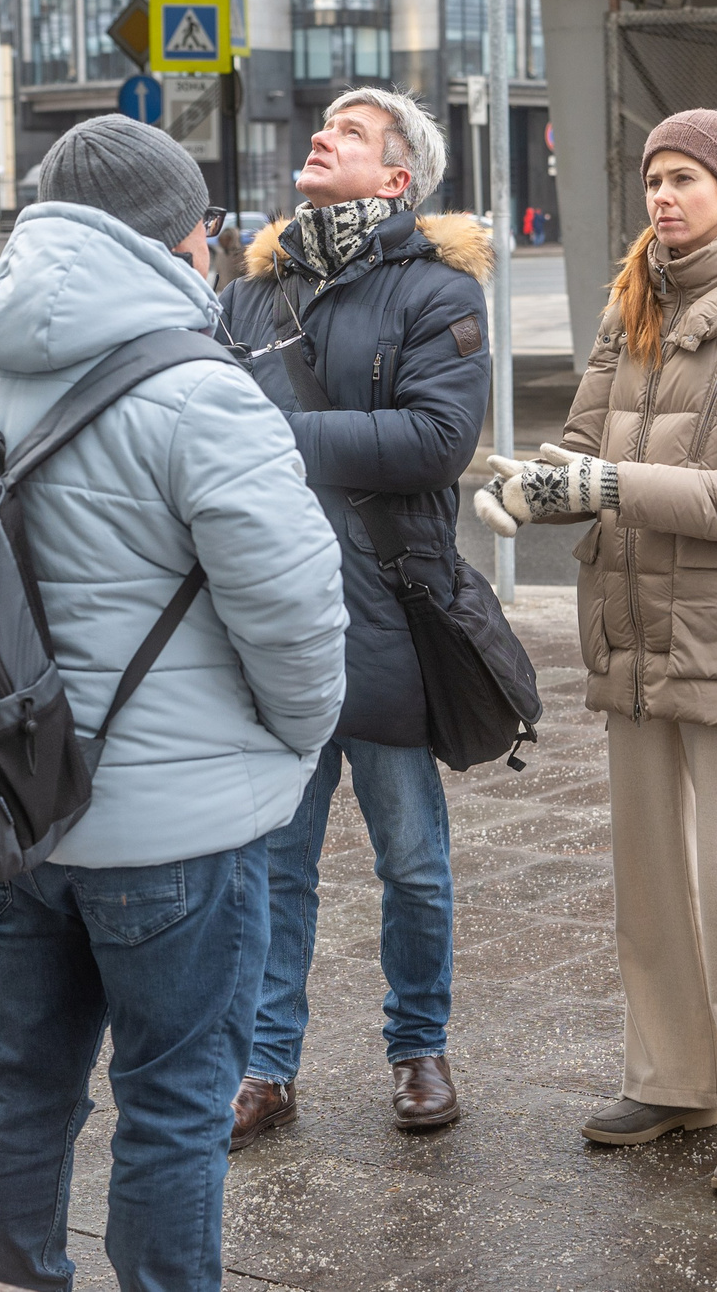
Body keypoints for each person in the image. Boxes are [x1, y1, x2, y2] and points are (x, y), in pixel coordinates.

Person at [0, 114, 349, 1291]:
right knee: (174, 1106)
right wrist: (290, 747)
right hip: (180, 836)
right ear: (176, 236)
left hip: (10, 816)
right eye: (203, 229)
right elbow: (295, 613)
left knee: (19, 1079)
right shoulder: (201, 391)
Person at [476, 109, 717, 1196]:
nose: (665, 200)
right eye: (654, 182)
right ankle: (678, 1077)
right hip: (633, 620)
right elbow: (586, 446)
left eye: (686, 181)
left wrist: (606, 488)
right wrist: (534, 488)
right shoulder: (638, 291)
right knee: (651, 877)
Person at [217, 88, 490, 1146]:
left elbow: (435, 441)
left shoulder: (434, 290)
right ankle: (265, 1067)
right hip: (264, 615)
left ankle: (418, 1047)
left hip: (385, 610)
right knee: (272, 868)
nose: (321, 136)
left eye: (352, 132)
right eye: (321, 124)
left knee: (411, 861)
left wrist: (276, 438)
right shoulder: (250, 291)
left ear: (395, 180)